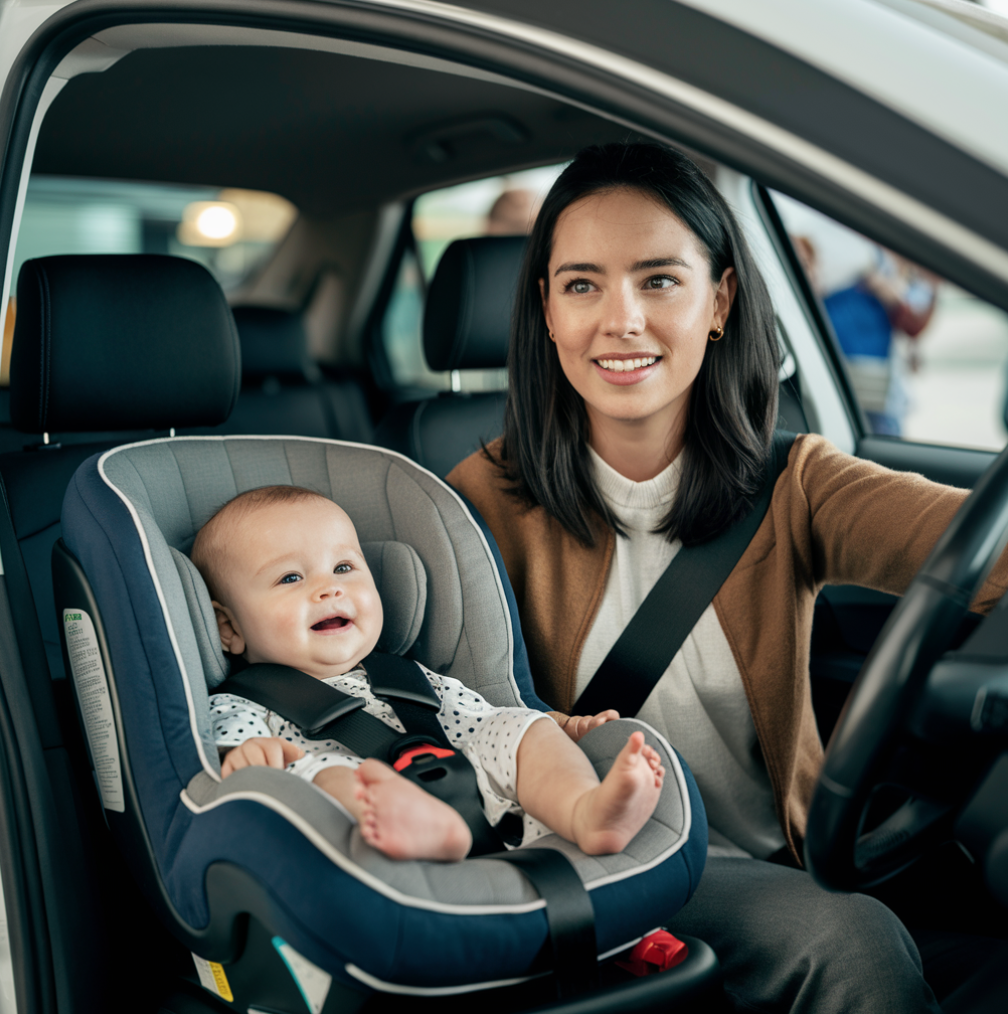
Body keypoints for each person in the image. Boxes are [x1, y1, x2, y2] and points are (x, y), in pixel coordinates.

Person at [447, 142, 1008, 1012]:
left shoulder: (797, 484)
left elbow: (984, 544)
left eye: (660, 280)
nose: (621, 319)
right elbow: (453, 713)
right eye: (582, 284)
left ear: (721, 300)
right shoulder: (476, 500)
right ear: (547, 312)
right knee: (851, 943)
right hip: (604, 865)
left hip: (794, 859)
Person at [190, 484, 664, 863]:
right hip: (371, 826)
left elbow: (482, 719)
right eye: (291, 578)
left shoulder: (409, 677)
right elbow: (228, 759)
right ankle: (426, 831)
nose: (329, 589)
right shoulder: (240, 702)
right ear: (230, 627)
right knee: (315, 775)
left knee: (521, 726)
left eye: (343, 567)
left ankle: (585, 810)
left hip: (483, 795)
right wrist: (252, 754)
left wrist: (561, 727)